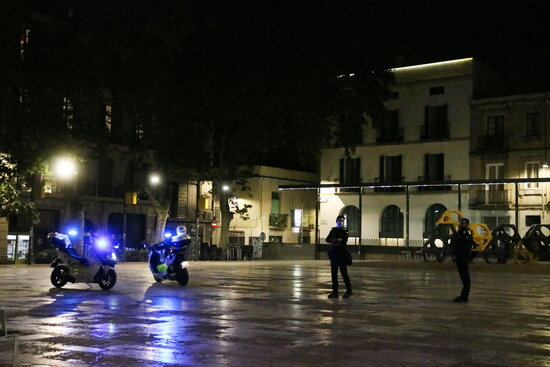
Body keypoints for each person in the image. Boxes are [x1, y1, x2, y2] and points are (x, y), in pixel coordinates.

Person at [326, 215, 353, 298]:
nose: (341, 222)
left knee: (344, 273)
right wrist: (336, 240)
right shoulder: (333, 230)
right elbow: (327, 239)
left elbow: (343, 242)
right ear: (336, 221)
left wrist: (334, 240)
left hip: (341, 255)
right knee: (334, 274)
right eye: (340, 221)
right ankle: (335, 292)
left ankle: (349, 291)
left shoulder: (344, 231)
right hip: (334, 254)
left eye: (342, 221)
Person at [451, 218, 474, 302]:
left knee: (465, 277)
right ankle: (463, 295)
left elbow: (465, 245)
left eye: (463, 224)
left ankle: (464, 296)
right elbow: (454, 243)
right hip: (459, 258)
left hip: (463, 258)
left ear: (467, 224)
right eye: (461, 223)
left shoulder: (467, 233)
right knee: (463, 276)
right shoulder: (459, 233)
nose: (461, 225)